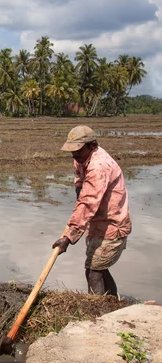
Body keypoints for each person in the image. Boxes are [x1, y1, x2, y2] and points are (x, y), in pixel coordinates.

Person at [52, 125, 131, 298]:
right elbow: (80, 180)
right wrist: (80, 192)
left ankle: (96, 314)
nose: (74, 154)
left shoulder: (99, 167)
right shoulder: (81, 158)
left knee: (93, 272)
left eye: (78, 150)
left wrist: (68, 237)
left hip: (112, 226)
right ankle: (112, 305)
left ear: (92, 145)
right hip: (97, 224)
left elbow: (88, 203)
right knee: (100, 269)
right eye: (72, 150)